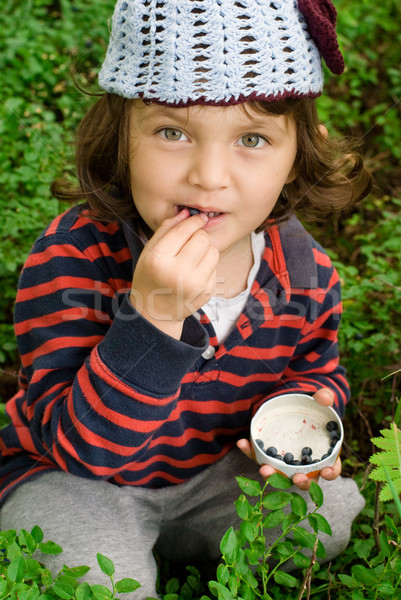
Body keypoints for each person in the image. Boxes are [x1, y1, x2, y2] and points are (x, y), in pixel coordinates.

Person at [0, 0, 372, 597]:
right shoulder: (72, 259)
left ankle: (186, 536)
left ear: (300, 152)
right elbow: (80, 448)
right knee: (90, 579)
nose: (209, 174)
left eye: (252, 138)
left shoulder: (303, 273)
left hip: (213, 470)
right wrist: (154, 317)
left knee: (326, 521)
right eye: (173, 131)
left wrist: (297, 423)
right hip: (79, 479)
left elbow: (315, 370)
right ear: (119, 137)